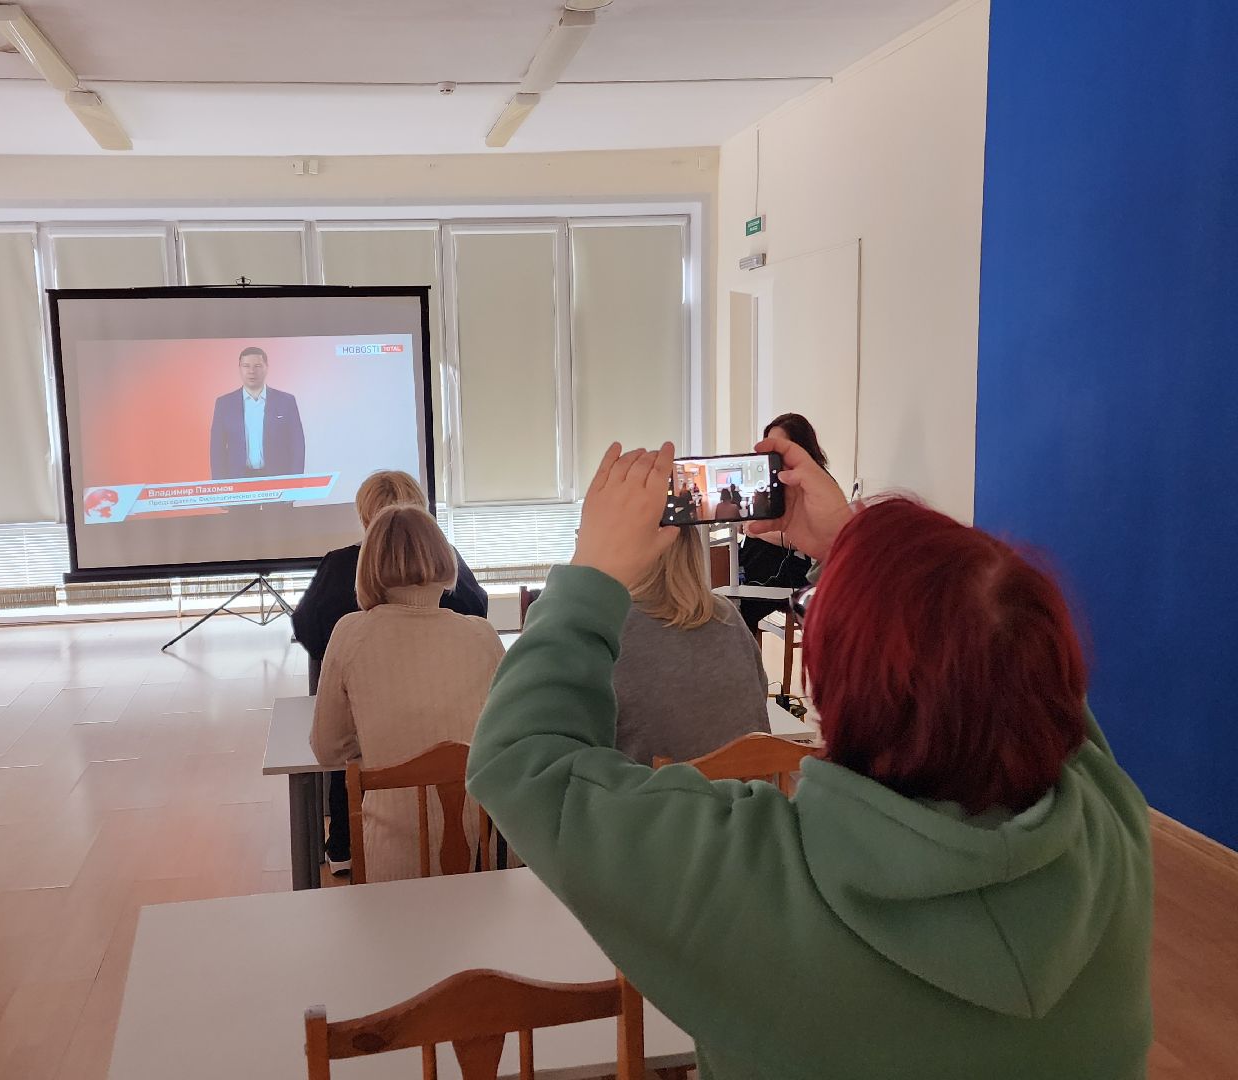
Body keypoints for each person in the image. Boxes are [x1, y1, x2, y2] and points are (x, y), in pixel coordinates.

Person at [468, 437, 1151, 1080]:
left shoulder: (750, 885)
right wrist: (858, 546)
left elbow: (519, 756)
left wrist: (593, 573)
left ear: (835, 689)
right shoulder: (1111, 833)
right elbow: (1027, 684)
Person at [292, 470, 488, 873]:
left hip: (390, 857)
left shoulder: (350, 633)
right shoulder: (482, 634)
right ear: (444, 556)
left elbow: (328, 750)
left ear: (367, 560)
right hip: (487, 847)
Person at [613, 525, 767, 767]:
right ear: (696, 552)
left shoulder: (614, 625)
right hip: (749, 791)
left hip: (661, 796)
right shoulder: (727, 614)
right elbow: (760, 691)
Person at [738, 412, 829, 631]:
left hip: (792, 574)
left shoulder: (818, 488)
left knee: (739, 610)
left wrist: (756, 532)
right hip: (757, 567)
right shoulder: (775, 485)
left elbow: (802, 540)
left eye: (781, 448)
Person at [209, 345, 305, 482]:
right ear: (239, 369)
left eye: (257, 366)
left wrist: (295, 483)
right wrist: (220, 488)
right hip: (238, 480)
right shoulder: (224, 404)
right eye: (246, 366)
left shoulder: (286, 401)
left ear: (266, 367)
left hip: (278, 479)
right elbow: (217, 449)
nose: (251, 371)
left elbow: (297, 444)